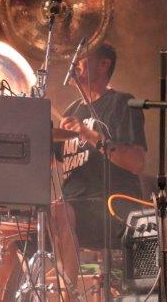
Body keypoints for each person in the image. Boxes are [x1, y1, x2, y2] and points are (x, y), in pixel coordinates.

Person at [51, 42, 147, 291]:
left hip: (112, 208)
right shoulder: (72, 110)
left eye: (82, 58)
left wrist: (89, 134)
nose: (75, 64)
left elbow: (137, 162)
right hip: (72, 208)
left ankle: (67, 297)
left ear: (104, 64)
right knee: (17, 228)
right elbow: (53, 160)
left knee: (59, 212)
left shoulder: (122, 103)